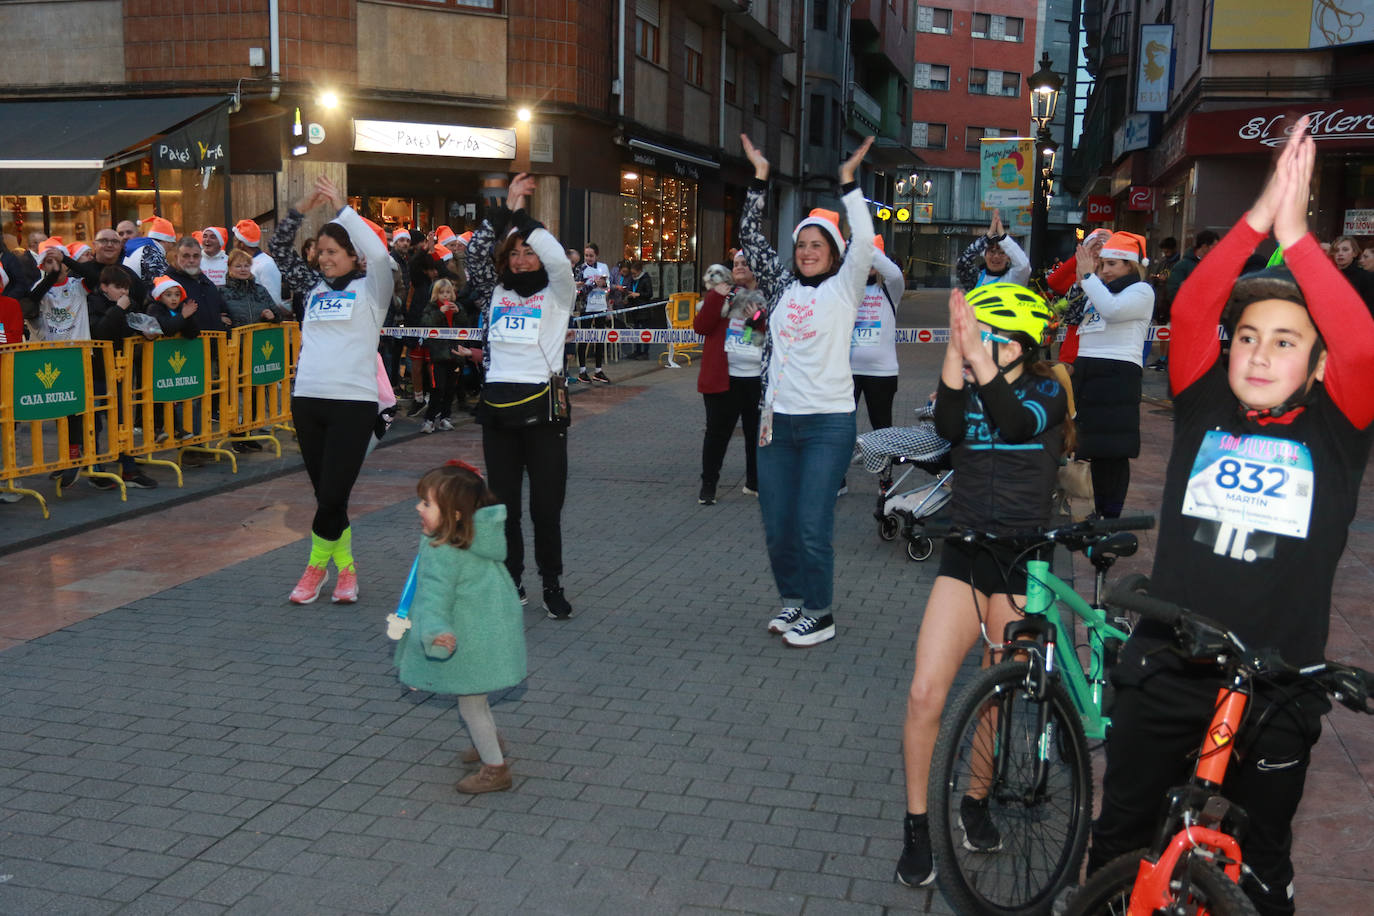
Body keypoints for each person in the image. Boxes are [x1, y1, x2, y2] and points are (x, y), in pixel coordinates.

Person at [1088, 116, 1374, 916]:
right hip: (1171, 663)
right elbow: (1200, 297)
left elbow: (1362, 342)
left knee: (1260, 866)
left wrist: (1299, 240)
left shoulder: (1338, 430)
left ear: (1316, 366)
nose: (1257, 353)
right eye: (1248, 336)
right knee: (1122, 839)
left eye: (1285, 342)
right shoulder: (1203, 405)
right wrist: (1257, 220)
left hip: (1277, 680)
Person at [894, 282, 1066, 888]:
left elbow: (1015, 422)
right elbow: (946, 425)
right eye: (979, 335)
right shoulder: (967, 382)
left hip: (1025, 560)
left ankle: (975, 800)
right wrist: (952, 349)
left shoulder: (1049, 389)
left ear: (1022, 343)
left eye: (993, 338)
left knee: (997, 689)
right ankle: (918, 826)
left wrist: (979, 358)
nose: (980, 346)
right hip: (966, 551)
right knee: (924, 694)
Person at [739, 131, 875, 648]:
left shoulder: (844, 290)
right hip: (777, 424)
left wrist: (848, 186)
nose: (807, 251)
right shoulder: (780, 289)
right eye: (801, 244)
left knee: (813, 524)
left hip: (827, 424)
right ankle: (793, 602)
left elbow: (864, 242)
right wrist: (758, 178)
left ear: (834, 253)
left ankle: (821, 612)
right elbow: (751, 238)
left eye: (817, 245)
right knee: (778, 526)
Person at [268, 175, 393, 606]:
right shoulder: (312, 288)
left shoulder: (373, 288)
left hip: (353, 405)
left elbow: (379, 253)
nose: (323, 259)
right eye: (320, 252)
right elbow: (278, 250)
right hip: (308, 401)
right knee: (326, 496)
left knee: (335, 492)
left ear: (352, 255)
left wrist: (344, 210)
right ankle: (349, 572)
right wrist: (300, 209)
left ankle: (315, 568)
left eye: (332, 252)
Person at [465, 172, 576, 619]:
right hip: (498, 413)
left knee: (545, 509)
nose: (524, 258)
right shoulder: (492, 292)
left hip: (545, 411)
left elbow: (558, 259)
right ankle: (512, 580)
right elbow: (474, 254)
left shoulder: (558, 293)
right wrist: (503, 213)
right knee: (503, 509)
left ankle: (552, 582)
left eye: (529, 252)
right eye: (515, 252)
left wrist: (522, 219)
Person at [393, 463, 528, 794]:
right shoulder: (479, 539)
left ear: (454, 515)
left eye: (426, 503)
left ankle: (495, 769)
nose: (418, 508)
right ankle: (489, 740)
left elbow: (435, 598)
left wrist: (435, 632)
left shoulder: (444, 550)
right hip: (490, 634)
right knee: (477, 701)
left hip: (463, 639)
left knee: (470, 705)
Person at [1073, 230, 1153, 518]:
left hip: (1118, 374)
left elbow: (1112, 311)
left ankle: (1111, 514)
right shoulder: (1096, 286)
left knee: (1114, 450)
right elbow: (1074, 314)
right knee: (1094, 447)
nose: (1104, 271)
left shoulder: (1142, 291)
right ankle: (1099, 511)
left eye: (1111, 265)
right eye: (1102, 264)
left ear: (1130, 266)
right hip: (1089, 371)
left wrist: (1089, 278)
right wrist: (1084, 275)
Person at [693, 254, 765, 504]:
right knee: (716, 434)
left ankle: (754, 483)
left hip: (755, 378)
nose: (740, 267)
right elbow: (701, 327)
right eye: (736, 264)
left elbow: (766, 335)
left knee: (757, 434)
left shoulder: (764, 297)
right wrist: (716, 295)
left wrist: (756, 319)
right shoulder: (721, 295)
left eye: (745, 263)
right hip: (723, 379)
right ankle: (708, 486)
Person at [21, 240, 93, 486]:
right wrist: (51, 275)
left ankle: (76, 457)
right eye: (48, 262)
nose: (54, 266)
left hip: (78, 355)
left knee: (75, 410)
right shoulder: (40, 288)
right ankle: (66, 458)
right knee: (59, 409)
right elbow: (30, 304)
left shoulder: (78, 285)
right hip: (52, 356)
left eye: (57, 261)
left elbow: (94, 276)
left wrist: (66, 260)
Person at [86, 266, 159, 490]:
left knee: (122, 420)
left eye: (125, 288)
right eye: (118, 287)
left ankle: (128, 467)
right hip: (97, 371)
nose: (123, 292)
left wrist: (146, 333)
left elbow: (133, 328)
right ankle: (96, 468)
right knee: (95, 422)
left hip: (121, 371)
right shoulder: (93, 302)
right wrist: (118, 309)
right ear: (104, 286)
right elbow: (100, 332)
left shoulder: (130, 305)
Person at [419, 278, 477, 433]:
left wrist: (459, 313)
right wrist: (439, 313)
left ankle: (445, 417)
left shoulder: (458, 307)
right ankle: (429, 419)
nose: (445, 295)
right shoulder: (430, 308)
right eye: (441, 292)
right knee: (437, 389)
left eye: (448, 292)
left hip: (456, 355)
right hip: (437, 356)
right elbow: (426, 324)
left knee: (451, 389)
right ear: (436, 294)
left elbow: (466, 325)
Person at [166, 236, 230, 332]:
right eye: (186, 256)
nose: (191, 260)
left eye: (195, 256)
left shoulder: (206, 282)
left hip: (215, 344)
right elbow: (164, 318)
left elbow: (224, 310)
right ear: (176, 257)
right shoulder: (167, 284)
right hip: (185, 345)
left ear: (201, 257)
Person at [955, 212, 1030, 290]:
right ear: (984, 255)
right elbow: (962, 263)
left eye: (1001, 253)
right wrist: (989, 234)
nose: (996, 256)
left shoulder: (1014, 278)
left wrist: (1003, 236)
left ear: (1008, 257)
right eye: (992, 252)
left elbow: (1024, 265)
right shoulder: (976, 277)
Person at [221, 248, 289, 326]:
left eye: (246, 266)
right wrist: (220, 319)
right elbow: (212, 316)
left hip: (260, 337)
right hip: (234, 337)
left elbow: (279, 316)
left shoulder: (261, 290)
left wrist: (272, 317)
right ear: (230, 268)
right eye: (238, 266)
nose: (243, 269)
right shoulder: (222, 292)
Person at [233, 218, 286, 310]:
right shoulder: (244, 263)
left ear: (241, 243)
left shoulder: (266, 264)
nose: (233, 245)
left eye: (234, 240)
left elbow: (274, 300)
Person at [575, 272, 612, 383]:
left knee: (600, 339)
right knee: (584, 339)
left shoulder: (603, 268)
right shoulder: (582, 270)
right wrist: (594, 283)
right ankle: (582, 371)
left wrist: (605, 285)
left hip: (601, 308)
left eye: (591, 255)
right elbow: (580, 292)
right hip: (587, 310)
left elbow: (608, 288)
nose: (589, 258)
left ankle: (598, 371)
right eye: (586, 255)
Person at [123, 217, 175, 288]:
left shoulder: (140, 247)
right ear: (165, 241)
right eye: (172, 243)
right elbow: (165, 283)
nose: (171, 247)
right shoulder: (151, 252)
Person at [1328, 234, 1374, 312]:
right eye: (1336, 250)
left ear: (1354, 253)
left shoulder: (1366, 277)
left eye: (1345, 249)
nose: (1340, 253)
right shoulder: (1328, 276)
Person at [626, 259, 655, 360]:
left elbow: (650, 294)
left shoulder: (645, 279)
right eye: (632, 273)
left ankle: (645, 352)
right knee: (636, 331)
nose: (633, 275)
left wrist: (638, 294)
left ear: (639, 271)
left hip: (644, 309)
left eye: (634, 273)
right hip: (635, 308)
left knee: (645, 331)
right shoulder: (633, 280)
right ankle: (637, 350)